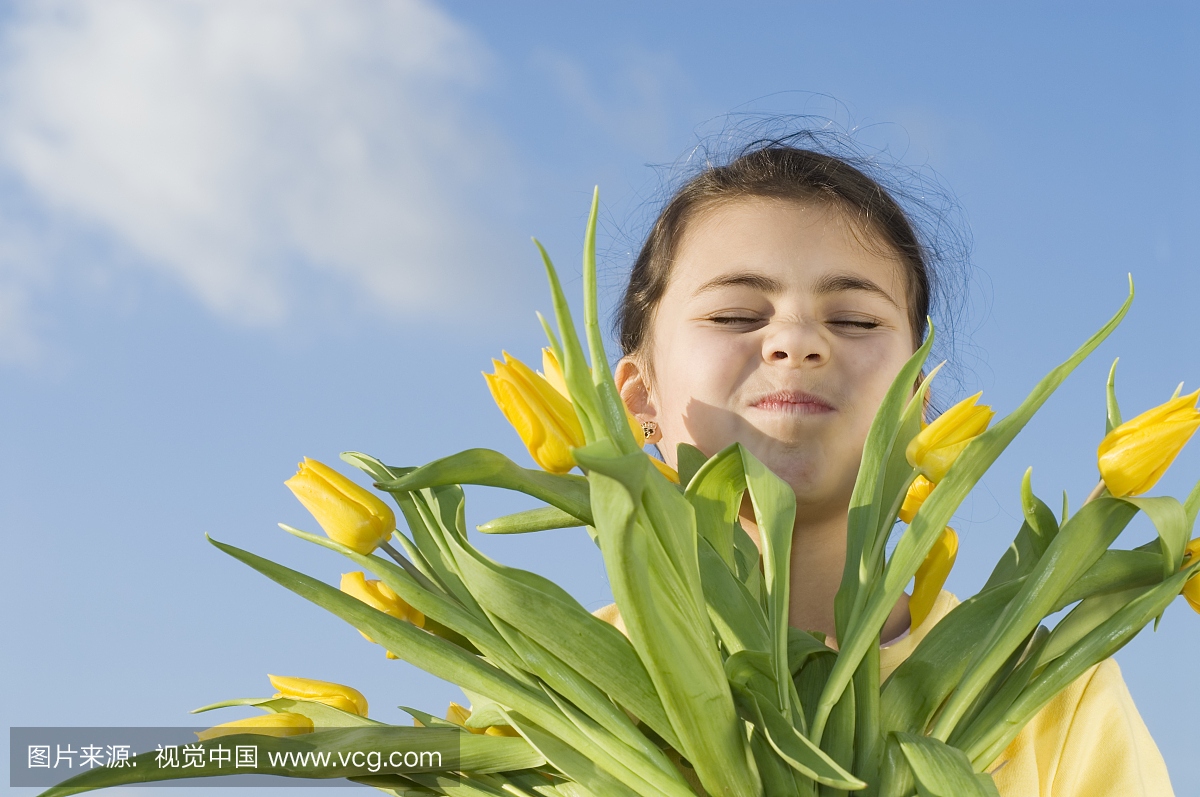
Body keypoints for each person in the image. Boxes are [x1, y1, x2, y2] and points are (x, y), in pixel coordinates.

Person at [590, 141, 1173, 796]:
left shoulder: (1054, 695)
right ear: (639, 401)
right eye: (737, 315)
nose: (796, 340)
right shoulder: (552, 676)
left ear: (918, 409)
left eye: (854, 319)